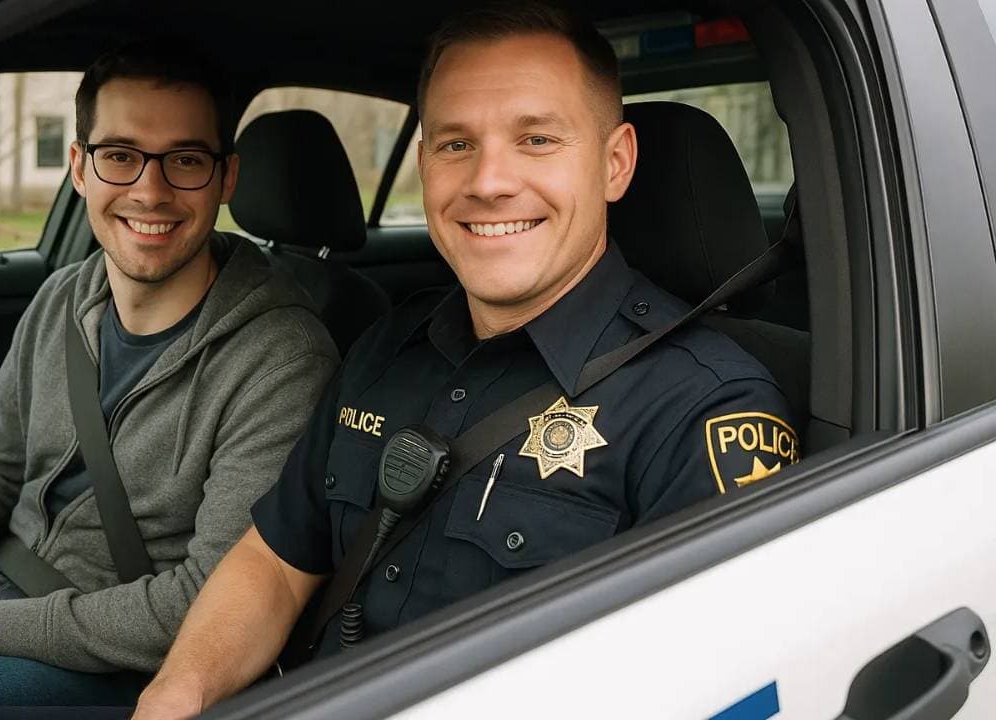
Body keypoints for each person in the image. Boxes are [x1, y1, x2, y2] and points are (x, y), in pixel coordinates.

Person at [131, 3, 798, 717]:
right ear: (424, 164)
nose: (488, 181)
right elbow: (274, 562)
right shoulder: (387, 347)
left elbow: (706, 691)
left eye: (537, 139)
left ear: (614, 164)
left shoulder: (703, 409)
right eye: (455, 145)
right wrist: (176, 695)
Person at [0, 43, 338, 705]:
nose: (150, 192)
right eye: (121, 156)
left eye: (185, 161)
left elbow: (212, 602)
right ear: (79, 167)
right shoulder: (64, 297)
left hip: (111, 661)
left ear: (226, 178)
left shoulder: (282, 360)